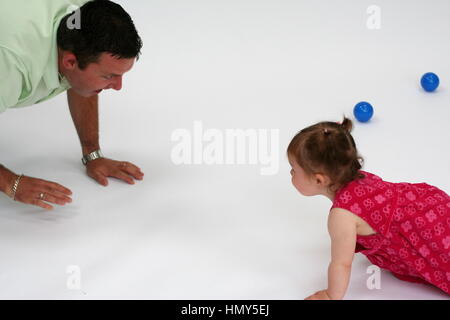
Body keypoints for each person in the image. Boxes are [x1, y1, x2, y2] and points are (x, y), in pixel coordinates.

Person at [0, 0, 144, 210]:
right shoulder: (11, 65)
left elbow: (83, 83)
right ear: (69, 62)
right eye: (109, 76)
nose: (118, 86)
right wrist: (10, 182)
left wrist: (92, 154)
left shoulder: (84, 17)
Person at [287, 117, 450, 299]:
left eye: (294, 169)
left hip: (424, 232)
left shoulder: (342, 216)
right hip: (430, 205)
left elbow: (342, 264)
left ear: (319, 180)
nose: (291, 173)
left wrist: (331, 295)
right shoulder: (361, 176)